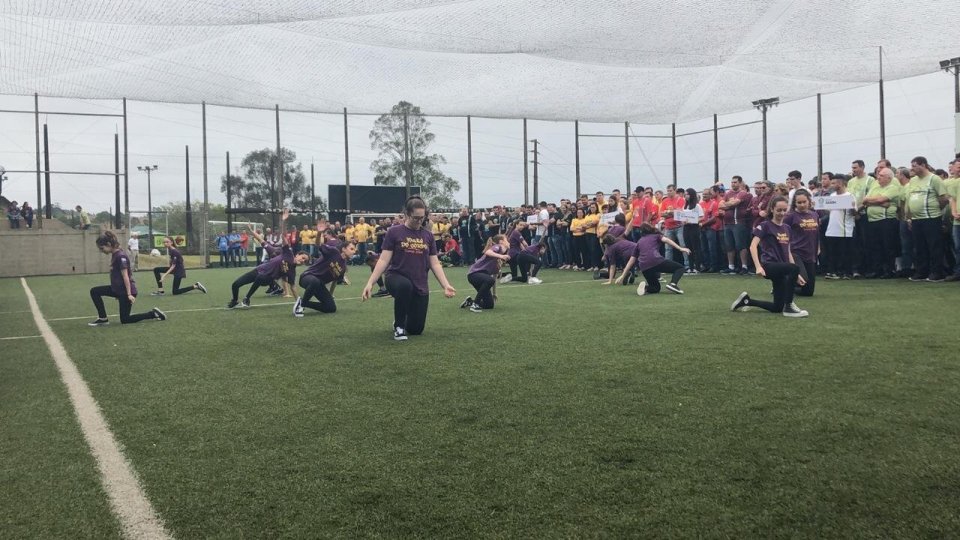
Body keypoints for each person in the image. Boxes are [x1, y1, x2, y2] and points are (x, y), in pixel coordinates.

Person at [361, 196, 457, 341]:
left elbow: (435, 263)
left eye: (422, 218)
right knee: (405, 287)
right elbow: (384, 259)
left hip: (419, 283)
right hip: (396, 278)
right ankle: (399, 327)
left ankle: (403, 320)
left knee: (416, 329)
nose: (419, 221)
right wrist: (370, 283)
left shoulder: (428, 236)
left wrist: (446, 285)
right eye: (415, 218)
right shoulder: (394, 232)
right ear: (406, 214)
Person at [730, 196, 809, 318]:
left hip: (782, 268)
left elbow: (788, 252)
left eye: (784, 210)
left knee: (777, 307)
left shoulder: (787, 228)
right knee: (794, 268)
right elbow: (752, 246)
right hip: (769, 265)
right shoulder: (765, 225)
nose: (782, 213)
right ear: (772, 209)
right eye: (779, 210)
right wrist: (758, 267)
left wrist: (796, 274)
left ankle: (746, 301)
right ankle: (789, 307)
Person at [227, 210, 308, 308]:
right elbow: (263, 239)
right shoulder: (287, 253)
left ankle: (247, 298)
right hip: (259, 270)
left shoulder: (292, 271)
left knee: (260, 277)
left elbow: (293, 287)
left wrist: (299, 302)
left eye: (305, 261)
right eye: (303, 258)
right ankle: (234, 301)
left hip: (267, 278)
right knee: (235, 284)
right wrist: (252, 231)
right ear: (297, 255)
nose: (303, 261)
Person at [87, 231, 166, 326]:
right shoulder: (115, 254)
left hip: (126, 291)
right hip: (118, 289)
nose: (101, 251)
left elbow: (126, 276)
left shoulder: (120, 256)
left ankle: (153, 314)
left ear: (108, 244)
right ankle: (103, 318)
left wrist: (129, 294)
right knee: (95, 291)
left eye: (102, 248)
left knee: (125, 319)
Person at [904, 156, 948, 282]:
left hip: (931, 217)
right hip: (916, 219)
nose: (912, 169)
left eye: (914, 166)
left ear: (923, 165)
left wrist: (935, 208)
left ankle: (936, 272)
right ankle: (921, 272)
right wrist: (909, 218)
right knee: (919, 246)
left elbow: (943, 198)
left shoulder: (934, 179)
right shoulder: (913, 180)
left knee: (934, 246)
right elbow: (910, 198)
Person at [613, 223, 690, 295]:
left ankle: (646, 288)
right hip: (656, 260)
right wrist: (680, 248)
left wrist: (623, 275)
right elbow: (667, 240)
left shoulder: (639, 241)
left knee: (655, 288)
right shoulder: (656, 236)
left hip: (644, 267)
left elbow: (632, 259)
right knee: (680, 268)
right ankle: (673, 284)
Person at [293, 239, 357, 316]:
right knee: (315, 282)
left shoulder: (343, 267)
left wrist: (330, 294)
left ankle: (302, 302)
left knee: (331, 307)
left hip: (319, 285)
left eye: (355, 250)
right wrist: (319, 233)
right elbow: (318, 244)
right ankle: (302, 304)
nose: (354, 252)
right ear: (343, 249)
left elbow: (335, 281)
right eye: (351, 249)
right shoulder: (333, 252)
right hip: (307, 277)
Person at [783, 189, 820, 296]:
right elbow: (783, 232)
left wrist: (818, 247)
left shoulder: (815, 215)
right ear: (795, 203)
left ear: (809, 201)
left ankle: (785, 285)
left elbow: (817, 233)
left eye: (804, 202)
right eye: (799, 202)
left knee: (808, 292)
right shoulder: (790, 217)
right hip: (796, 253)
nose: (802, 205)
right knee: (802, 279)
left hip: (810, 253)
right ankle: (781, 285)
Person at [462, 234, 511, 312]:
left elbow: (494, 277)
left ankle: (470, 302)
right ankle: (475, 305)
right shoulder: (498, 247)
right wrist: (501, 256)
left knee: (489, 305)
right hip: (474, 274)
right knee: (489, 280)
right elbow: (488, 252)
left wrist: (494, 293)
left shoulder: (498, 260)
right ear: (501, 241)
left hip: (482, 278)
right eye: (507, 240)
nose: (509, 242)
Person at [824, 176, 857, 279]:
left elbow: (854, 213)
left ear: (841, 184)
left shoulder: (849, 196)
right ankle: (832, 272)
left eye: (834, 183)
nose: (832, 185)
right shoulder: (832, 196)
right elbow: (828, 211)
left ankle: (846, 272)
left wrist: (852, 207)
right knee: (832, 253)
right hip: (831, 229)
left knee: (845, 252)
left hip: (844, 229)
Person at [719, 176, 753, 274]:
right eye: (732, 182)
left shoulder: (743, 193)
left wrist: (728, 204)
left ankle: (744, 266)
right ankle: (731, 266)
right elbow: (720, 205)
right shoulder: (728, 193)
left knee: (741, 245)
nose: (733, 184)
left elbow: (735, 203)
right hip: (727, 223)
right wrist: (729, 204)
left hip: (738, 223)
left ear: (740, 183)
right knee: (729, 246)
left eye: (735, 182)